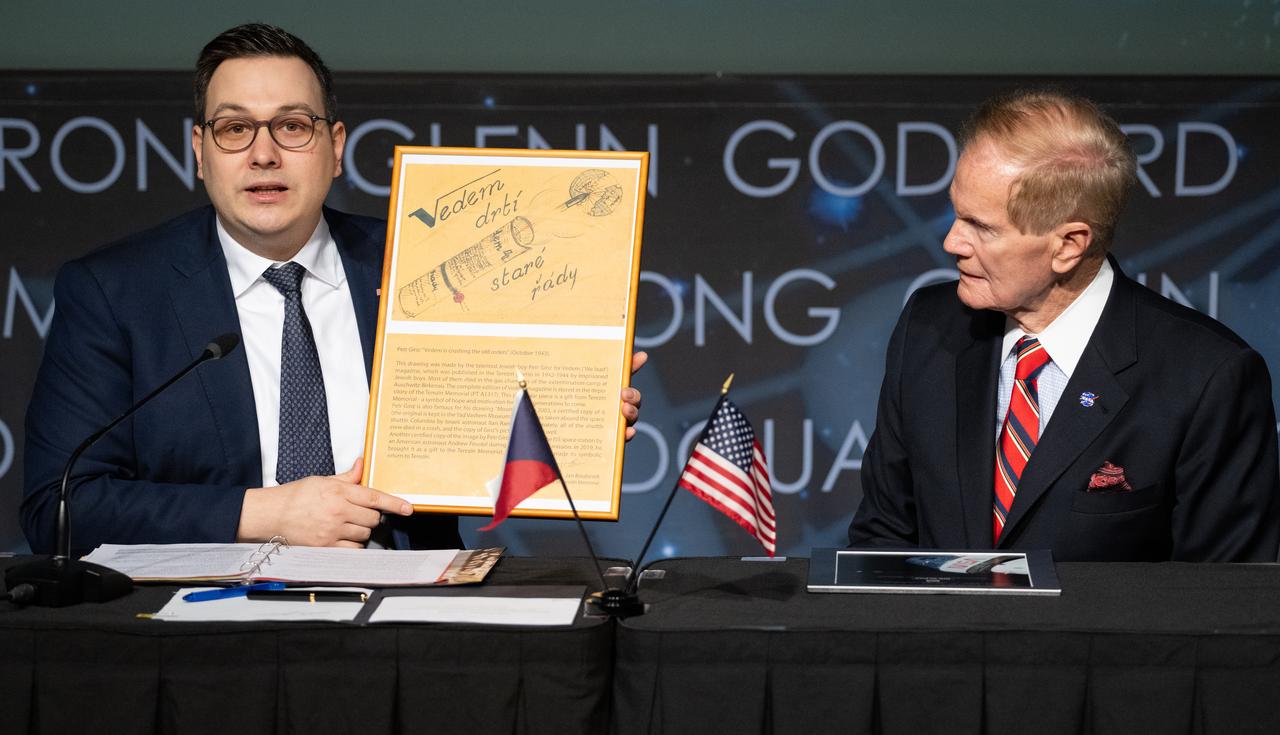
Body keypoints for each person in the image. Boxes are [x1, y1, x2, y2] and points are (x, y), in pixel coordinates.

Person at [21, 23, 645, 555]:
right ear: (200, 150)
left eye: (292, 126)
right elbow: (60, 507)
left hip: (408, 624)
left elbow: (482, 438)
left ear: (336, 146)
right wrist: (266, 515)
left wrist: (571, 427)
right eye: (235, 129)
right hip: (204, 637)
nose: (264, 154)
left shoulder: (420, 267)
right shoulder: (114, 291)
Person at [848, 89, 1279, 562]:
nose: (952, 242)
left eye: (981, 227)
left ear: (1069, 245)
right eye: (956, 213)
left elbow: (1221, 601)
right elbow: (881, 540)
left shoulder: (1206, 377)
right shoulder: (928, 328)